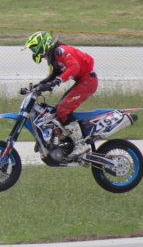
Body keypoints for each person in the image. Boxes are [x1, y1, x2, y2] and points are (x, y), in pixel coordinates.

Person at [25, 30, 97, 158]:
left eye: (35, 48)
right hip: (83, 81)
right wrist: (39, 86)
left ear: (43, 43)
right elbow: (54, 75)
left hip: (88, 81)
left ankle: (80, 145)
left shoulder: (61, 51)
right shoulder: (54, 56)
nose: (34, 52)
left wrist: (57, 81)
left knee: (63, 109)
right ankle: (55, 140)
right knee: (56, 111)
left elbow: (74, 67)